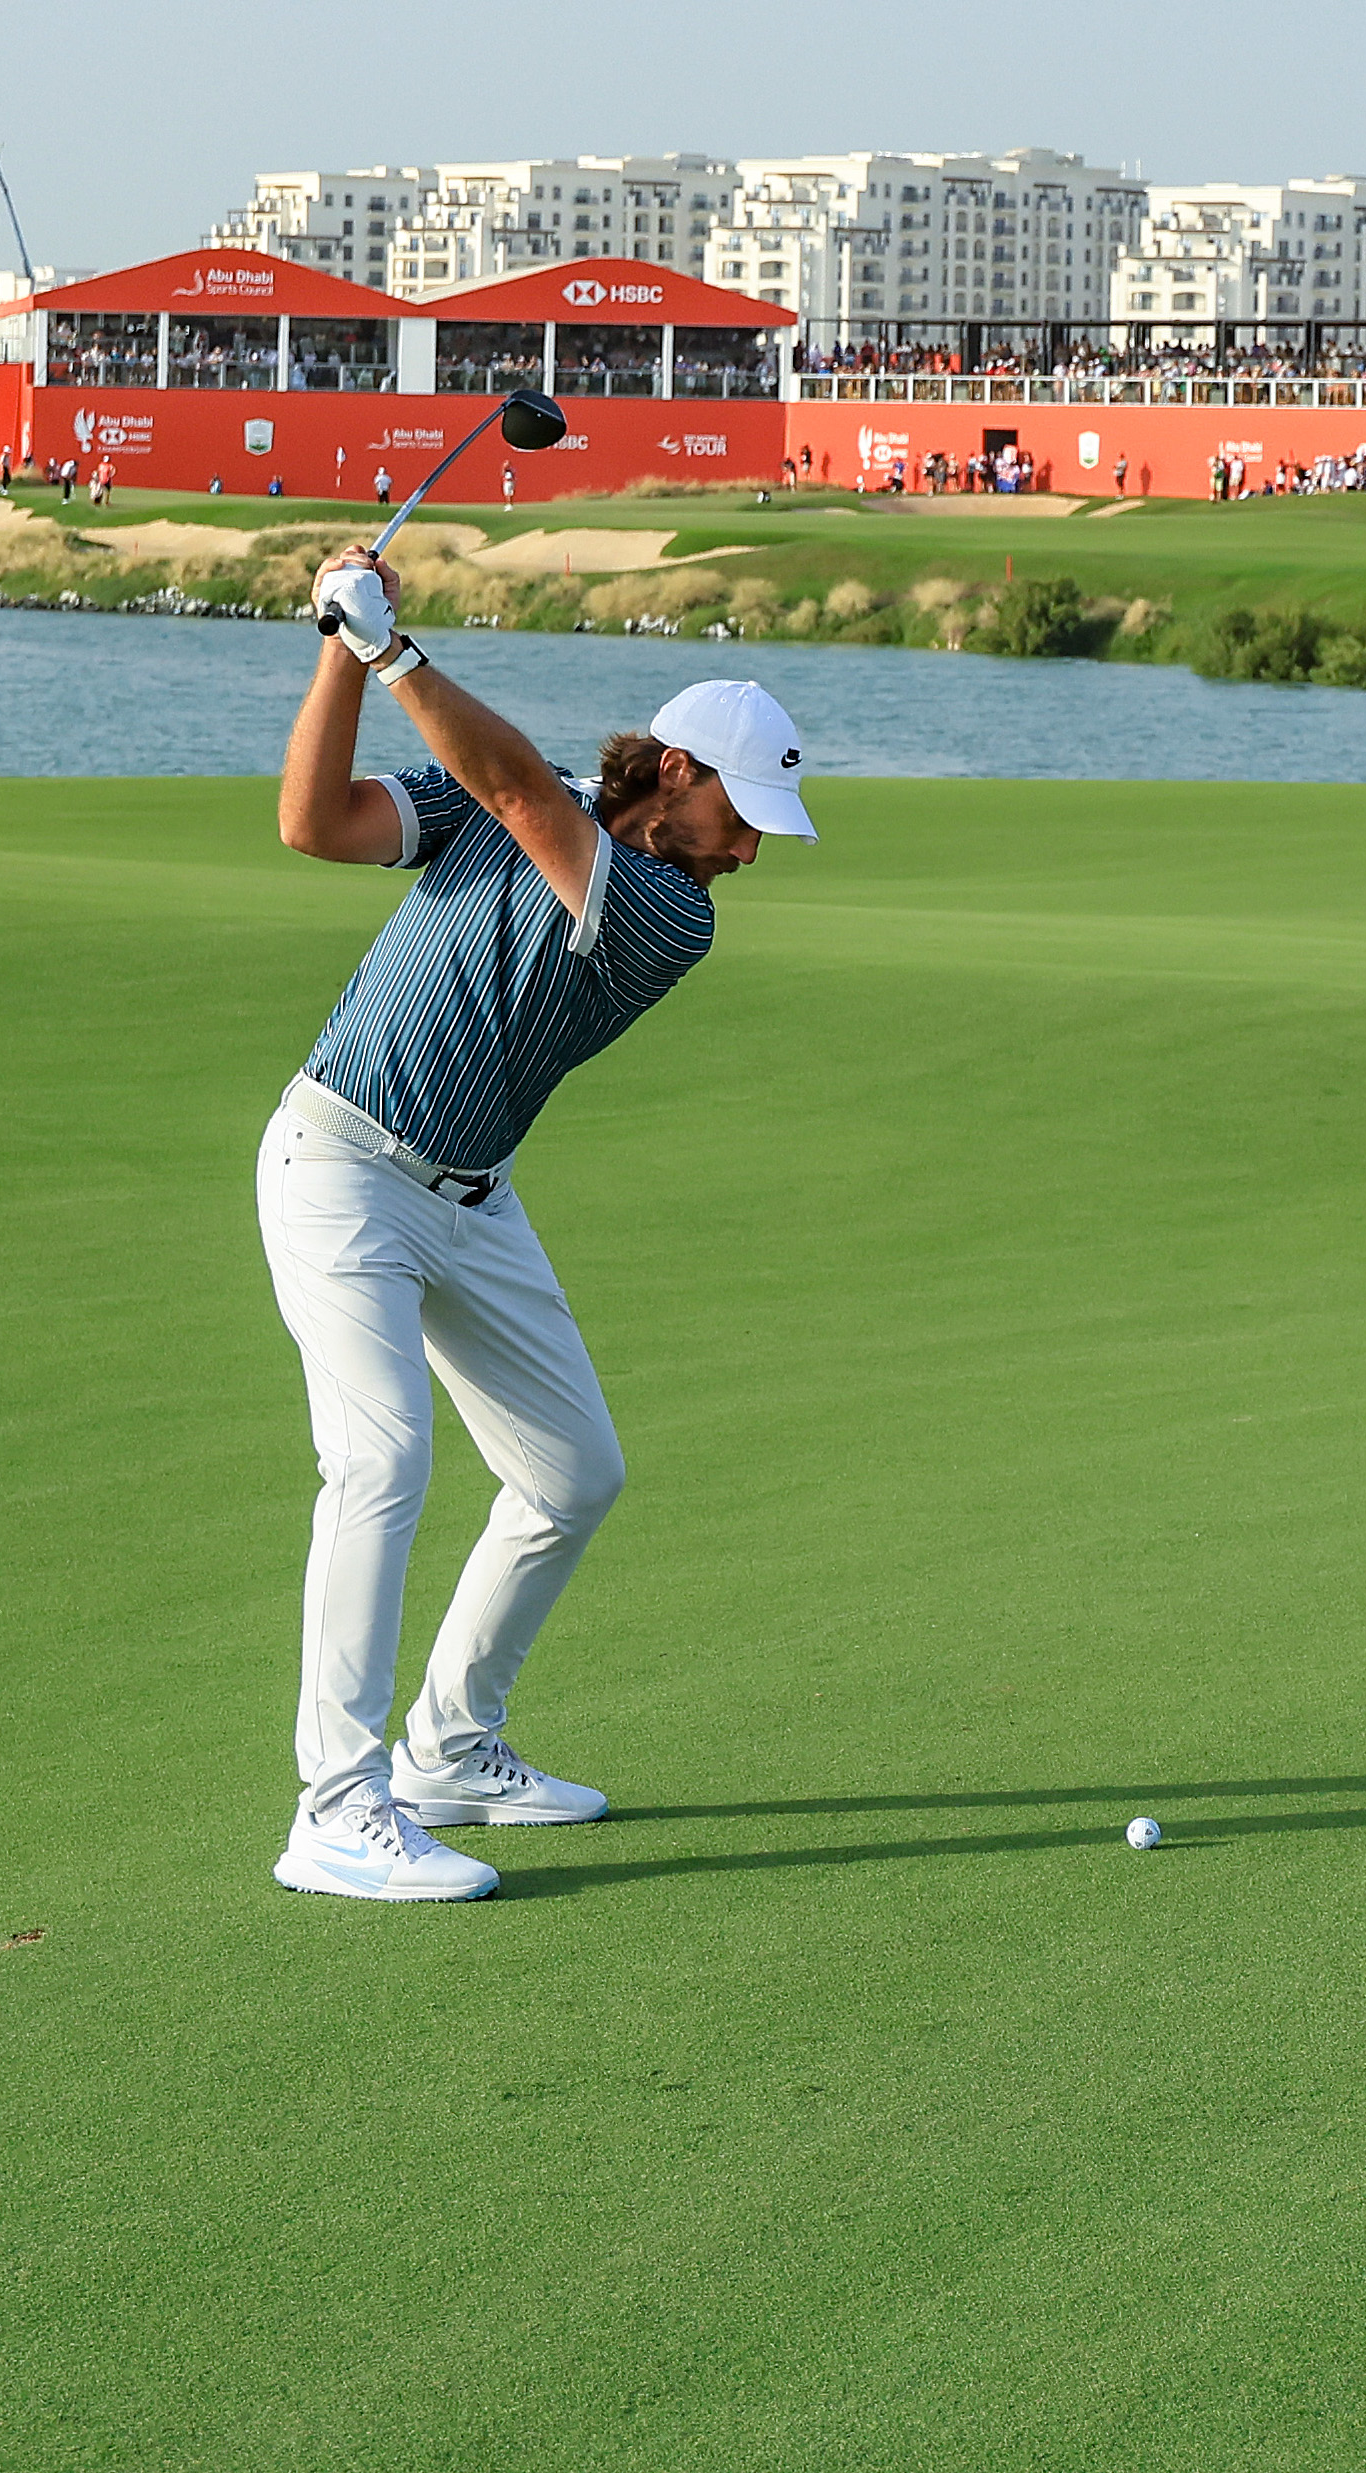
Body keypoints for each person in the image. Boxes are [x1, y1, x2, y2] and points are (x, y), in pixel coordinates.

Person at [249, 548, 817, 1906]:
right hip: (339, 1165)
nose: (750, 850)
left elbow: (519, 794)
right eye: (742, 814)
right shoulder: (500, 798)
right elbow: (314, 823)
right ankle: (338, 1807)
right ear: (675, 770)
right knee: (382, 1459)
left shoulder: (671, 917)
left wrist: (392, 650)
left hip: (473, 1197)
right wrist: (340, 647)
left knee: (573, 1474)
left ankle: (449, 1749)